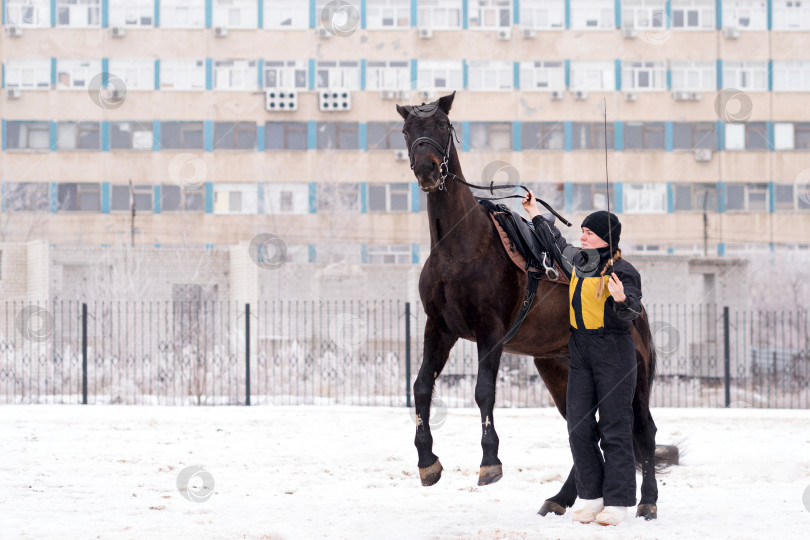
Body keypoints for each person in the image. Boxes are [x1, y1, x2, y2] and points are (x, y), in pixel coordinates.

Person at [521, 189, 643, 526]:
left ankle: (617, 502)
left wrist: (620, 298)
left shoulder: (624, 270)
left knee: (615, 428)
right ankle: (591, 497)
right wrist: (534, 212)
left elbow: (632, 308)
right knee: (578, 427)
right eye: (583, 231)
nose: (582, 235)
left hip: (614, 352)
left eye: (588, 232)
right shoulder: (578, 260)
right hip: (580, 351)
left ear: (604, 238)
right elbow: (554, 241)